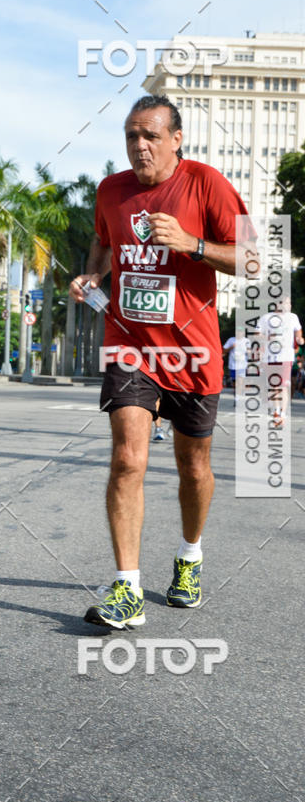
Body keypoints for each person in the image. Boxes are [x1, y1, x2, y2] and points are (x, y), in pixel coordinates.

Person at [70, 94, 248, 628]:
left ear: (176, 139)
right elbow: (104, 245)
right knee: (128, 459)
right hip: (130, 348)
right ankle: (127, 588)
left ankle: (189, 556)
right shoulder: (110, 190)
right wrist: (94, 275)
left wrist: (194, 244)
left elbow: (256, 259)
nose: (139, 146)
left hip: (194, 353)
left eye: (150, 135)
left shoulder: (206, 183)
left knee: (194, 467)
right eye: (130, 135)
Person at [257, 296, 303, 427]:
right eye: (285, 302)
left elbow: (298, 331)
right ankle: (276, 411)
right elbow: (256, 333)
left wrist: (299, 338)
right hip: (269, 357)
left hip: (285, 356)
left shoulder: (293, 317)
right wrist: (267, 337)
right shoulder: (266, 318)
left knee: (283, 385)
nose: (288, 305)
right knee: (273, 386)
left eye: (289, 302)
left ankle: (282, 414)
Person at [223, 327, 249, 400]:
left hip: (242, 365)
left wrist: (249, 352)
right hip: (233, 365)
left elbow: (251, 351)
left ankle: (238, 395)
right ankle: (236, 393)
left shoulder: (246, 341)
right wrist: (231, 347)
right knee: (235, 382)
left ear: (243, 333)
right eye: (238, 331)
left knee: (240, 381)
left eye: (240, 332)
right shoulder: (231, 340)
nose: (239, 333)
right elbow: (224, 350)